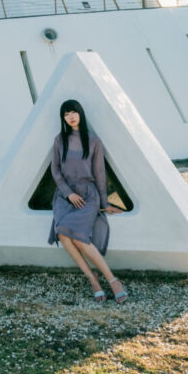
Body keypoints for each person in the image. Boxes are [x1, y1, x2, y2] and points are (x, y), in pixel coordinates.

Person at [48, 98, 128, 303]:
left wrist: (104, 202)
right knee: (63, 234)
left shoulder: (94, 141)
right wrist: (68, 193)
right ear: (63, 118)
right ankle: (93, 280)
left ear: (80, 113)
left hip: (88, 196)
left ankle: (112, 280)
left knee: (77, 237)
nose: (71, 117)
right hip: (65, 197)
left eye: (73, 112)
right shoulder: (60, 140)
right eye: (66, 114)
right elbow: (55, 170)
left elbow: (100, 174)